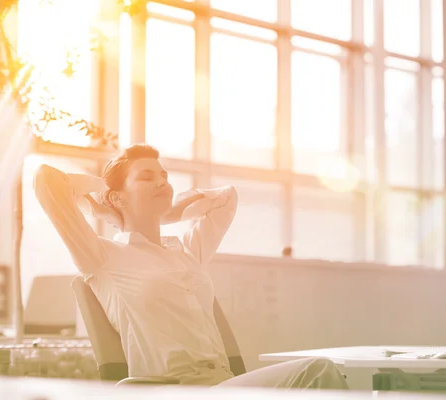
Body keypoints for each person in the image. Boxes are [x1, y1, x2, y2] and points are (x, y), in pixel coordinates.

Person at [34, 144, 348, 389]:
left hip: (221, 385)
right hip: (172, 390)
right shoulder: (103, 257)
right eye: (146, 177)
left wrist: (169, 212)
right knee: (318, 372)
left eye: (164, 176)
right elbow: (46, 181)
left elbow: (226, 198)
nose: (161, 181)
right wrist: (103, 197)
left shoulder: (186, 252)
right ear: (116, 196)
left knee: (330, 375)